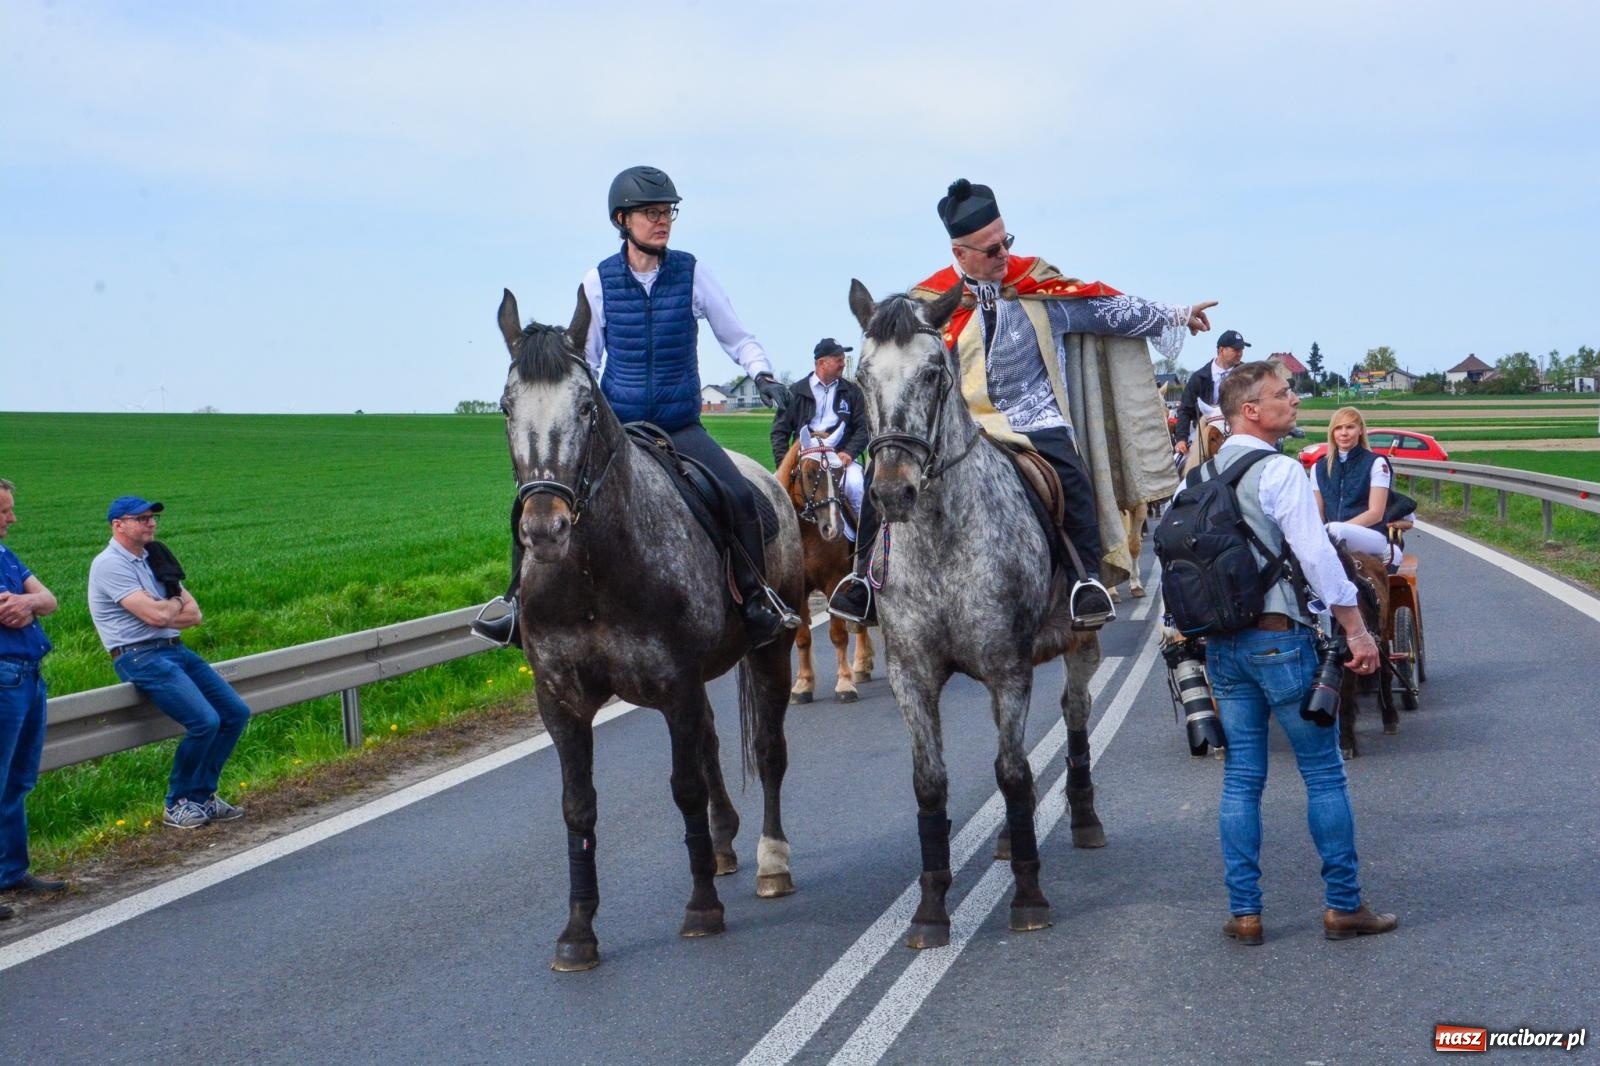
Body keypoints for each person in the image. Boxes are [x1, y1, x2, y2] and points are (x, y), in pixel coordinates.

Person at [829, 178, 1212, 628]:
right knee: (883, 474)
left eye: (1005, 242)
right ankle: (863, 581)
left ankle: (1083, 581)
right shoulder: (927, 304)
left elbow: (1104, 307)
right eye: (991, 250)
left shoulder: (1038, 288)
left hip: (1033, 416)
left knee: (1072, 477)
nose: (1004, 255)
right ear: (960, 254)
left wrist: (1175, 314)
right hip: (961, 419)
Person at [473, 165, 799, 649]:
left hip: (680, 423)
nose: (662, 221)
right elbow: (587, 359)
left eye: (667, 212)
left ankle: (755, 599)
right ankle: (517, 606)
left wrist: (764, 375)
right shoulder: (598, 281)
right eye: (651, 213)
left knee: (738, 495)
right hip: (619, 427)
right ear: (622, 219)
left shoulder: (691, 272)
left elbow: (737, 336)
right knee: (531, 501)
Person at [1204, 363, 1398, 945]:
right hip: (1278, 636)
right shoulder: (1280, 470)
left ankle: (1246, 913)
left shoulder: (1203, 472)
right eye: (1282, 394)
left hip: (1223, 646)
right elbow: (1315, 556)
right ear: (1251, 411)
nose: (1294, 400)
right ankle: (1343, 905)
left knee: (1241, 778)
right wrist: (1358, 631)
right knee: (1322, 772)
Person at [87, 496, 250, 830]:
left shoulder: (155, 556)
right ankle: (177, 803)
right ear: (118, 525)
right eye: (142, 518)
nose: (151, 523)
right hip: (139, 655)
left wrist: (166, 608)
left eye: (153, 517)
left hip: (174, 648)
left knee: (234, 713)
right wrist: (172, 604)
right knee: (204, 721)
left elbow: (196, 615)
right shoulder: (108, 565)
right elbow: (159, 612)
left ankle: (202, 797)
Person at [0, 478, 64, 916]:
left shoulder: (5, 554)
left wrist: (27, 603)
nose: (12, 518)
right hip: (4, 674)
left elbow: (50, 600)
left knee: (19, 779)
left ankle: (9, 871)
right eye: (4, 510)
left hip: (28, 674)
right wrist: (27, 602)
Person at [769, 338, 869, 535]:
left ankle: (863, 544)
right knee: (773, 494)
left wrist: (849, 452)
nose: (843, 363)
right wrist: (785, 464)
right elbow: (779, 432)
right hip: (805, 458)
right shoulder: (796, 392)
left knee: (856, 486)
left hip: (839, 457)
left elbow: (863, 428)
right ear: (822, 362)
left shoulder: (852, 392)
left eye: (843, 358)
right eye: (838, 359)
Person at [1311, 406, 1409, 569]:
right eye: (1338, 428)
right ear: (1332, 432)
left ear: (1361, 430)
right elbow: (1318, 516)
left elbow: (1376, 514)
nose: (1344, 433)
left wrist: (1339, 529)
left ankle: (1388, 552)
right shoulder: (1318, 468)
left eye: (1350, 427)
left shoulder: (1376, 463)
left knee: (1334, 531)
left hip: (1371, 535)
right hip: (1332, 535)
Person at [1173, 329, 1250, 458]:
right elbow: (1185, 410)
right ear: (1221, 350)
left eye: (1242, 350)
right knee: (1179, 461)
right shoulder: (1198, 378)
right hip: (1205, 432)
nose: (1240, 354)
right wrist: (1181, 439)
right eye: (1236, 350)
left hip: (1238, 433)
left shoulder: (1247, 376)